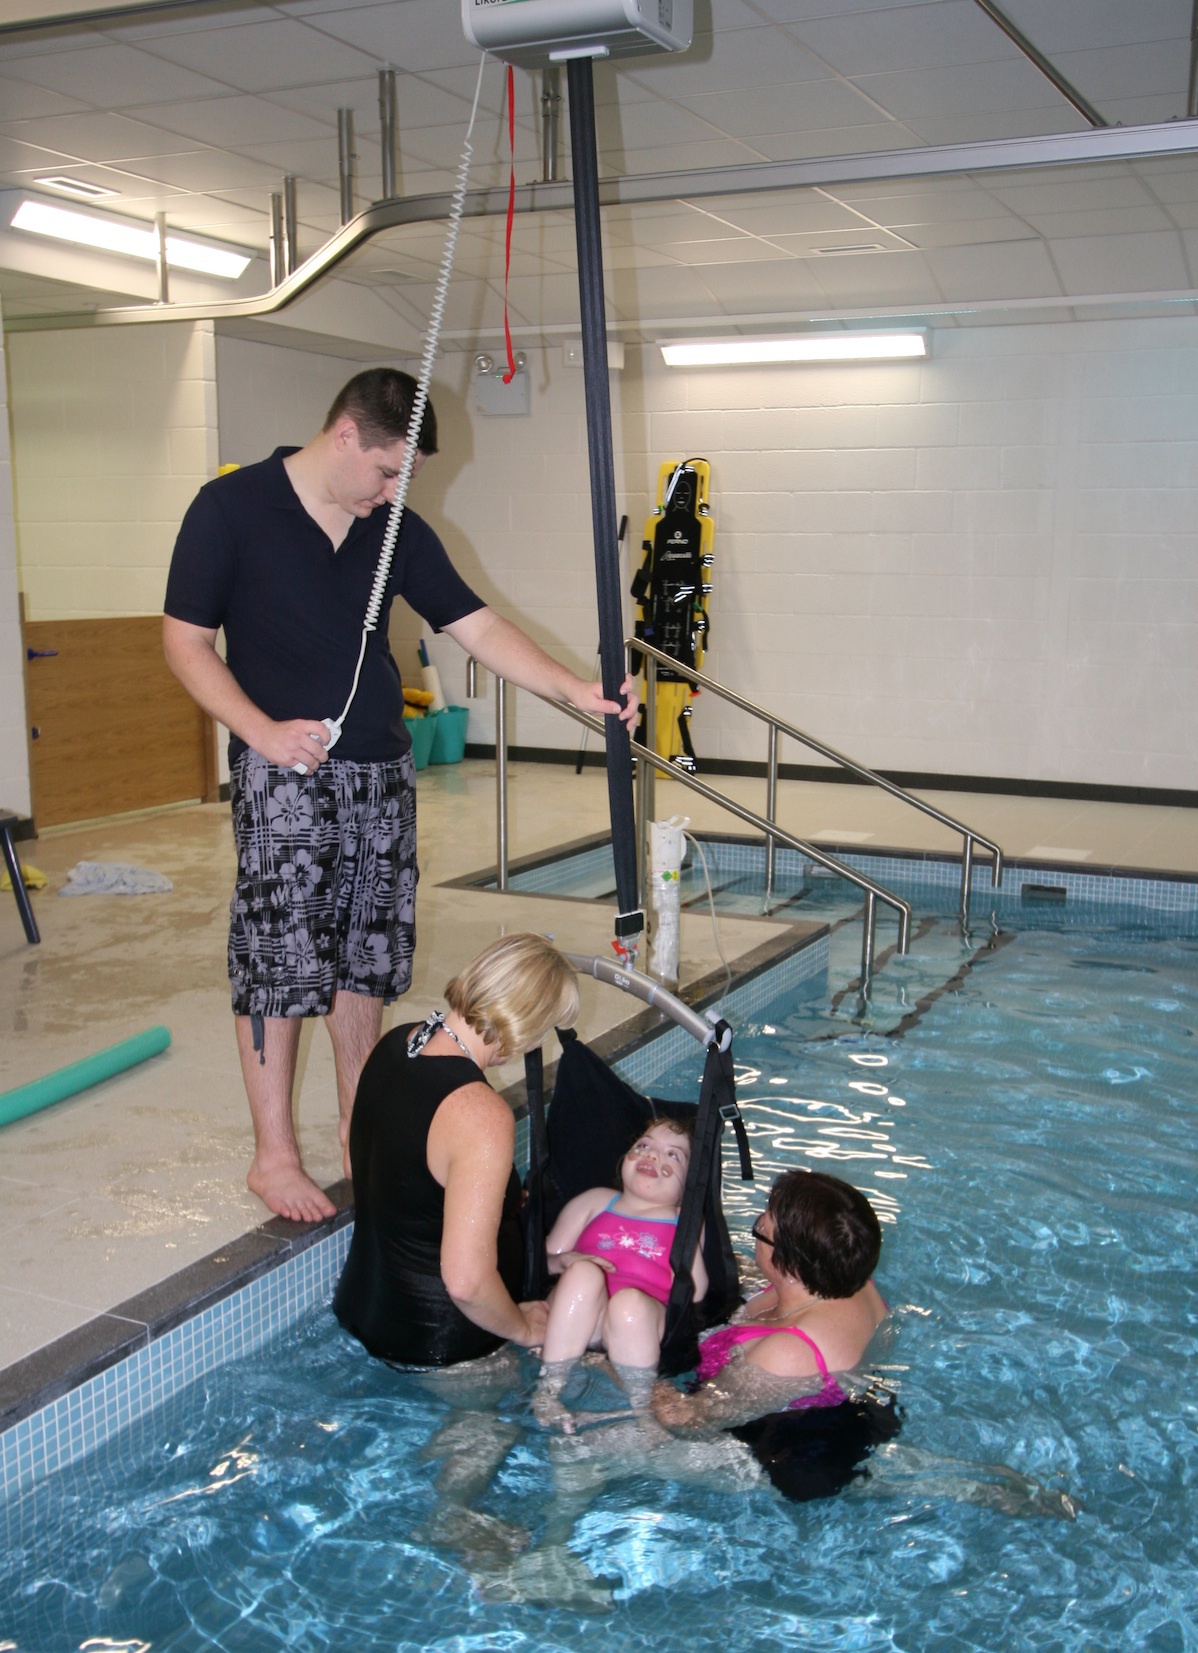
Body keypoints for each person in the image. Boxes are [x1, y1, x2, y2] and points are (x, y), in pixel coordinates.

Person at [162, 369, 636, 1224]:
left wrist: (574, 688)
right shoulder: (229, 509)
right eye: (386, 471)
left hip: (381, 771)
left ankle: (358, 1126)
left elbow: (475, 624)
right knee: (278, 962)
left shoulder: (394, 530)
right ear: (345, 434)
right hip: (285, 773)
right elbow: (185, 640)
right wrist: (261, 731)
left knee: (364, 960)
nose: (392, 493)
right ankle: (273, 1156)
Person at [333, 931, 579, 1367]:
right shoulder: (481, 1115)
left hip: (360, 1311)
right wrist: (522, 1328)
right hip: (445, 1350)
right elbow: (466, 1282)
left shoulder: (394, 1043)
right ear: (524, 1025)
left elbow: (355, 1164)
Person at [534, 1117, 707, 1426]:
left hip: (638, 1323)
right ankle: (548, 1391)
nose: (652, 1155)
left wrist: (690, 1232)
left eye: (673, 1155)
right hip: (580, 1312)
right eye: (643, 1145)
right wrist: (566, 1261)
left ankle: (641, 1412)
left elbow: (697, 1290)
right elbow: (542, 1259)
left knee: (629, 1303)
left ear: (688, 1184)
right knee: (583, 1273)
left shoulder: (685, 1219)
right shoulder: (595, 1201)